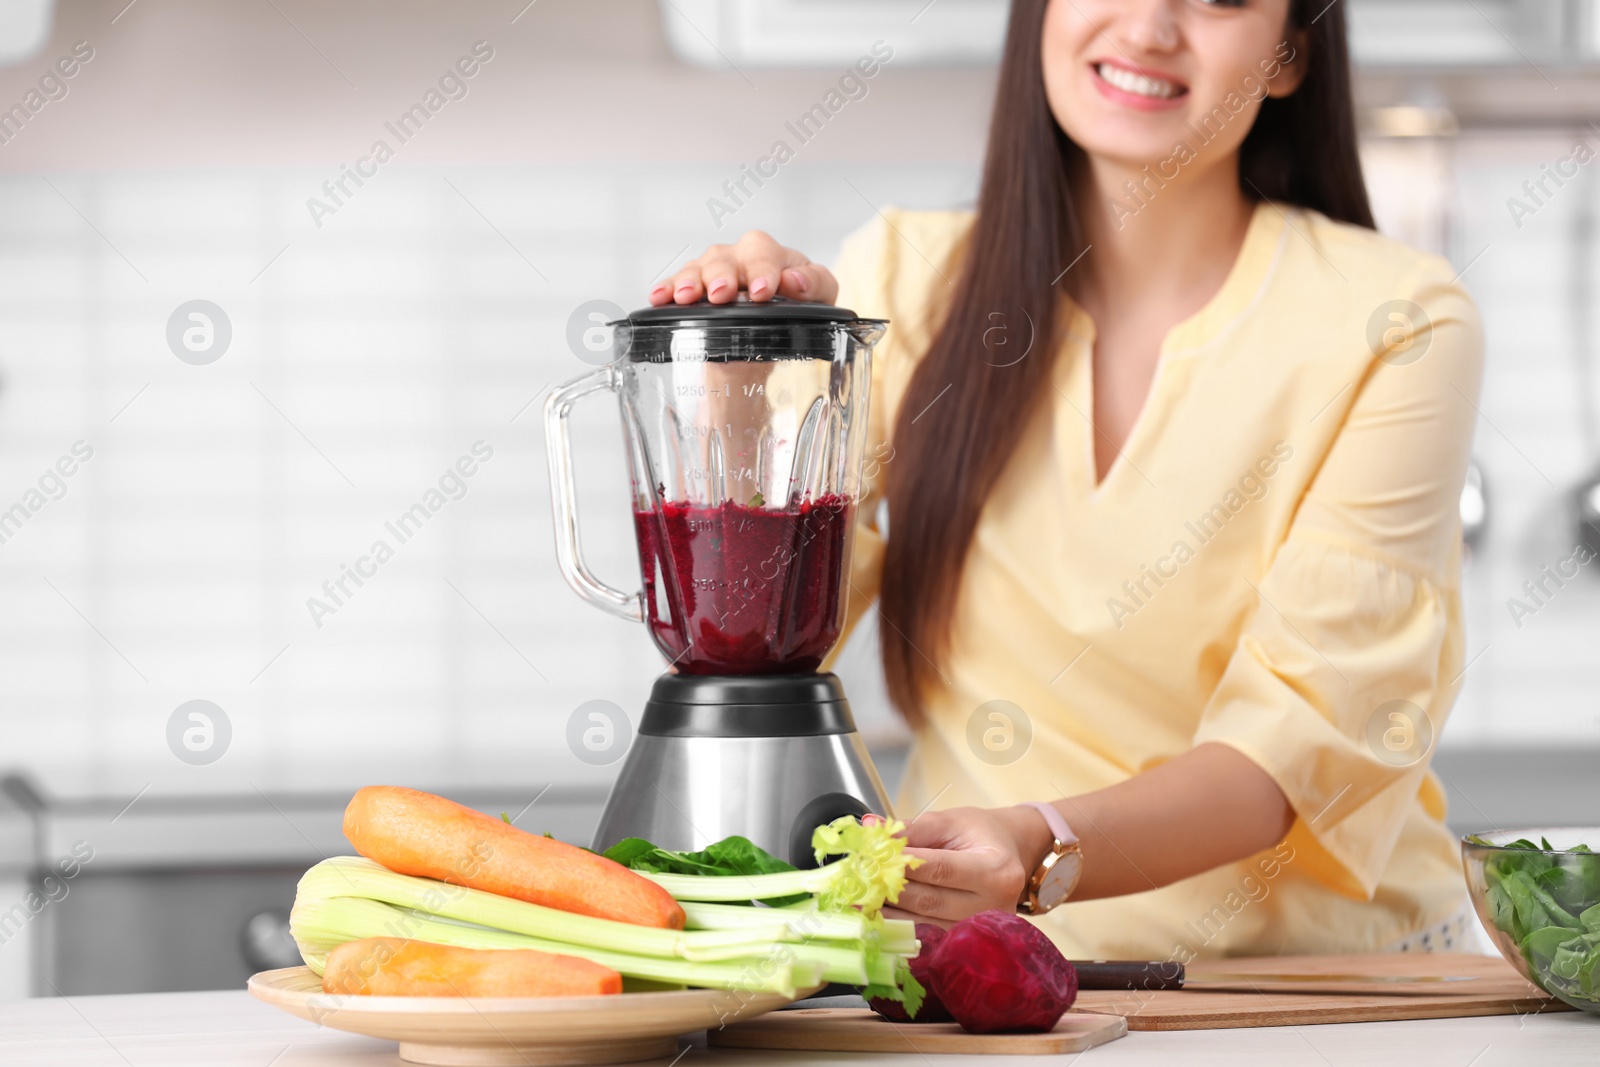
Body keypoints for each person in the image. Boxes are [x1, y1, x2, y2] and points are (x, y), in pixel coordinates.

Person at [650, 0, 1483, 959]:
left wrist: (1038, 842)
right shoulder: (905, 280)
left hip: (1309, 992)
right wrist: (737, 401)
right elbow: (767, 647)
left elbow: (1289, 752)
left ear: (1291, 55)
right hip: (977, 979)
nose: (1150, 26)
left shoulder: (1396, 320)